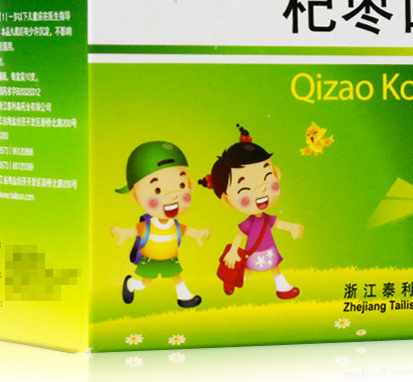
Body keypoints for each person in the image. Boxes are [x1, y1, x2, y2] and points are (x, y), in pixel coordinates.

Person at [199, 125, 303, 298]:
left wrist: (292, 227)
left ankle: (283, 288)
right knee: (249, 270)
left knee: (274, 267)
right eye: (245, 188)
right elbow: (240, 235)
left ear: (276, 174)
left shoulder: (265, 218)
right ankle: (233, 280)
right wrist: (233, 251)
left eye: (266, 177)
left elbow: (276, 223)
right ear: (227, 199)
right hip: (253, 252)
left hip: (269, 249)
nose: (260, 190)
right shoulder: (250, 222)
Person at [111, 141, 210, 308]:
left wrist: (198, 234)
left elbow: (184, 230)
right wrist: (123, 233)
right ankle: (131, 284)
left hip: (170, 257)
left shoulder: (174, 224)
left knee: (176, 276)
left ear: (190, 185)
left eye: (181, 185)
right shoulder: (149, 225)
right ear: (136, 196)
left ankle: (185, 297)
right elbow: (136, 231)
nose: (173, 196)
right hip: (150, 258)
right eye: (157, 190)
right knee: (146, 281)